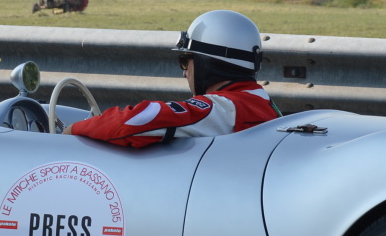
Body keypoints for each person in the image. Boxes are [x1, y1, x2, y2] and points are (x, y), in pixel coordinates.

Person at [68, 10, 280, 148]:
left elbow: (134, 122)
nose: (184, 72)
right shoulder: (263, 104)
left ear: (208, 62)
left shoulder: (224, 109)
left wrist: (74, 130)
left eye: (186, 61)